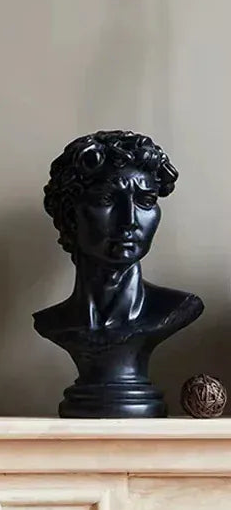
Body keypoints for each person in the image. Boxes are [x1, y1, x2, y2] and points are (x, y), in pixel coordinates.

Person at [35, 130, 203, 417]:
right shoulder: (53, 322)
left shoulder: (176, 309)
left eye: (146, 201)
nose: (129, 220)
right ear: (70, 213)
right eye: (106, 199)